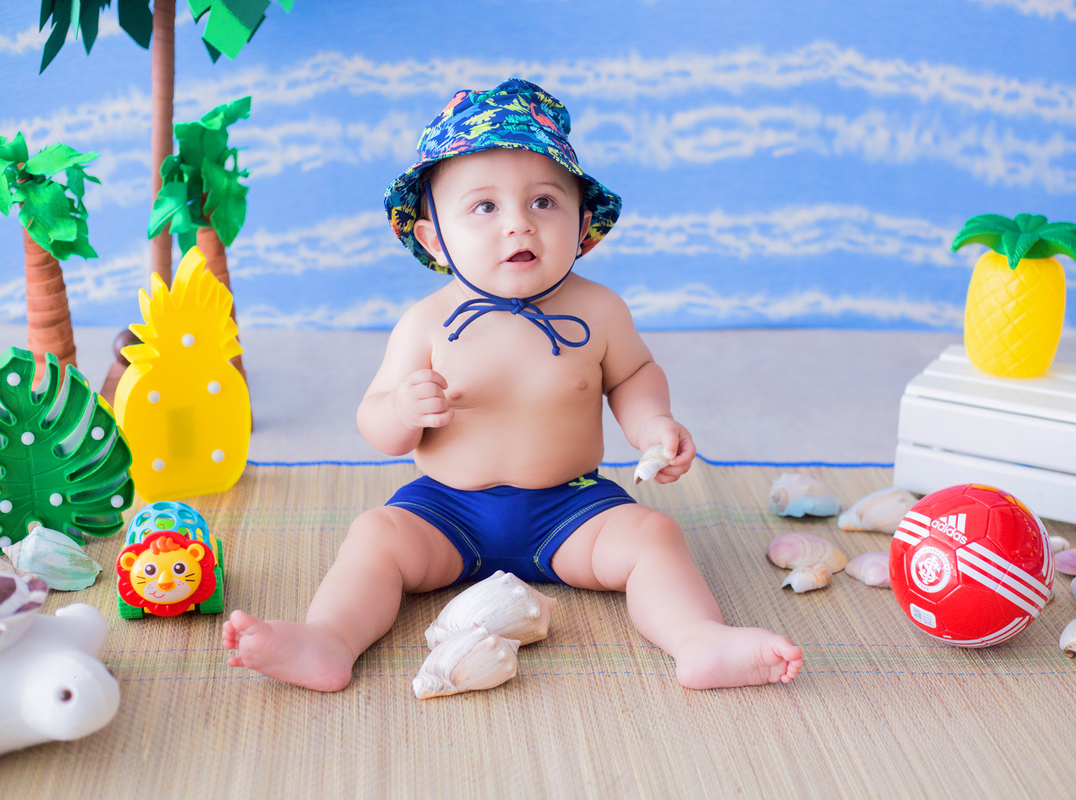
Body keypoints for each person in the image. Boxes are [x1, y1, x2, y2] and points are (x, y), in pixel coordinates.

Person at [222, 79, 802, 691]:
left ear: (583, 223)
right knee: (375, 537)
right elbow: (376, 424)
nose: (519, 226)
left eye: (545, 202)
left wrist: (652, 422)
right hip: (445, 509)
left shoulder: (600, 311)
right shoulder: (427, 323)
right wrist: (402, 407)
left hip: (572, 505)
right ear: (434, 239)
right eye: (485, 207)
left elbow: (633, 375)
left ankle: (697, 640)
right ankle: (328, 640)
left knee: (654, 535)